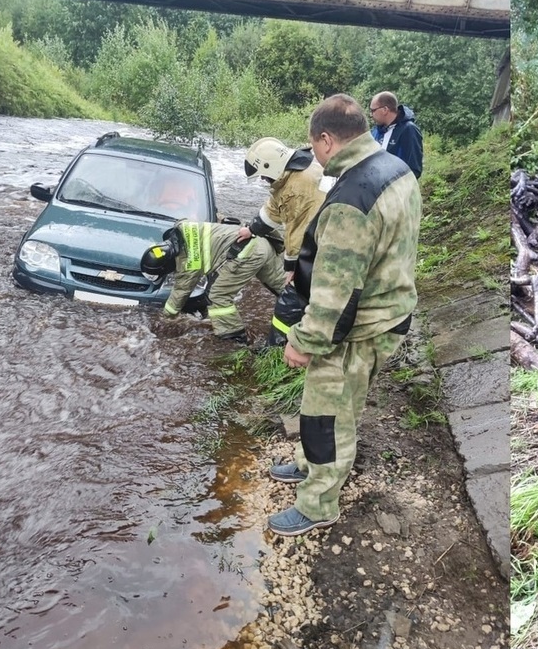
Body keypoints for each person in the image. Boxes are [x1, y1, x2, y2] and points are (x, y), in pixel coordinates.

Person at [266, 94, 421, 537]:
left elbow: (335, 296)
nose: (313, 153)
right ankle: (306, 465)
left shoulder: (351, 199)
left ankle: (318, 504)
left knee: (326, 416)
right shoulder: (395, 168)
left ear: (328, 140)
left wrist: (303, 341)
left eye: (314, 145)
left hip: (360, 327)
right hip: (390, 310)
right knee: (342, 404)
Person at [237, 137, 330, 346]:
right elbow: (273, 208)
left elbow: (297, 234)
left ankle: (278, 351)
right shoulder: (292, 175)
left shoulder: (297, 188)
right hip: (324, 243)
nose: (263, 180)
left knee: (288, 306)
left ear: (272, 166)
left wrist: (293, 268)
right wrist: (251, 229)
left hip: (321, 249)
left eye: (263, 175)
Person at [141, 220, 286, 344]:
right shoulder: (182, 227)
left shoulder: (189, 262)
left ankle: (234, 338)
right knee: (285, 288)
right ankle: (305, 311)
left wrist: (165, 317)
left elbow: (181, 291)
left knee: (217, 296)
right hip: (261, 243)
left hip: (245, 253)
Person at [369, 91, 423, 179]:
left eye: (373, 110)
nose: (371, 115)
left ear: (385, 110)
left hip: (398, 189)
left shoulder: (408, 130)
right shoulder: (376, 131)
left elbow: (414, 169)